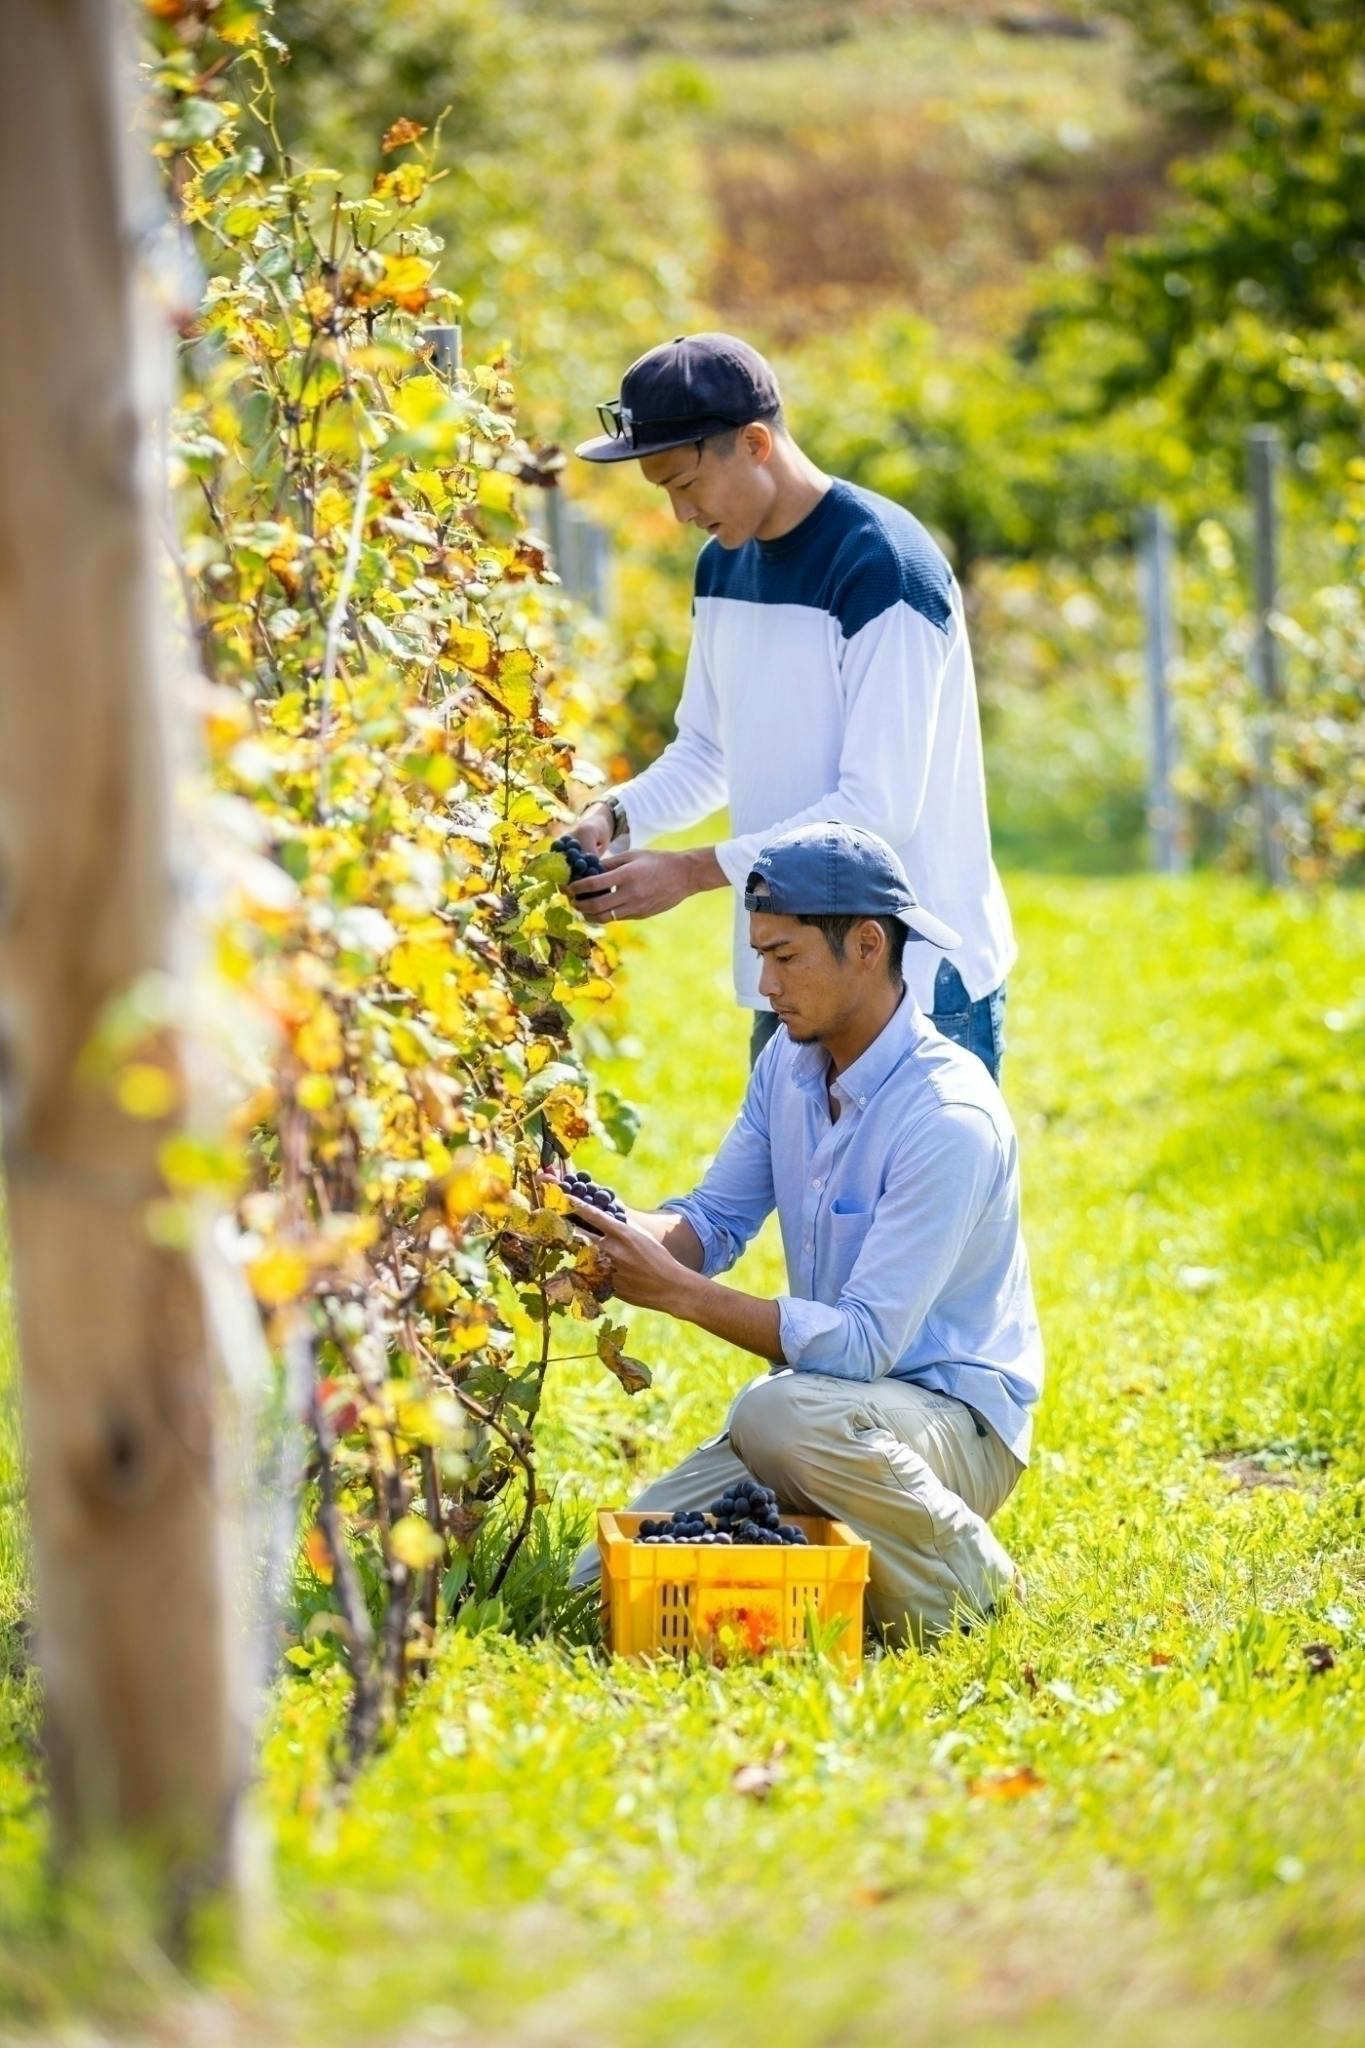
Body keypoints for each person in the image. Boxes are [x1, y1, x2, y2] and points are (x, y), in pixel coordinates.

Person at [563, 822, 1041, 1648]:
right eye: (759, 955)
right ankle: (861, 1574)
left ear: (865, 945)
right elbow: (710, 1223)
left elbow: (859, 1345)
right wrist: (594, 1225)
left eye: (784, 957)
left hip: (946, 1423)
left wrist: (678, 1294)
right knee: (591, 1591)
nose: (765, 982)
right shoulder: (786, 1067)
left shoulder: (947, 1119)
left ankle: (971, 1587)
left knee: (776, 1412)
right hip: (828, 1413)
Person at [568, 332, 1014, 1078]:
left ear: (752, 444)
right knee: (799, 1201)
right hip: (786, 986)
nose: (679, 514)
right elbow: (708, 753)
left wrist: (692, 871)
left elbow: (876, 810)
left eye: (684, 483)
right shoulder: (721, 565)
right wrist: (613, 817)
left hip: (909, 990)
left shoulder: (882, 568)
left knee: (906, 1200)